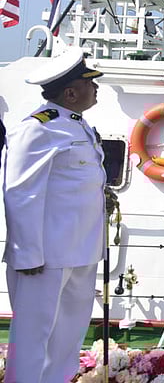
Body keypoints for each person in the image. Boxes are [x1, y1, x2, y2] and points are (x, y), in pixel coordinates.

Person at [2, 49, 105, 382]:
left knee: (67, 340)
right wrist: (27, 253)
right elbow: (20, 192)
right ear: (70, 93)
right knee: (32, 339)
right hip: (45, 257)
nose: (96, 88)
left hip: (82, 251)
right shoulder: (38, 129)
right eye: (89, 83)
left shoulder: (77, 125)